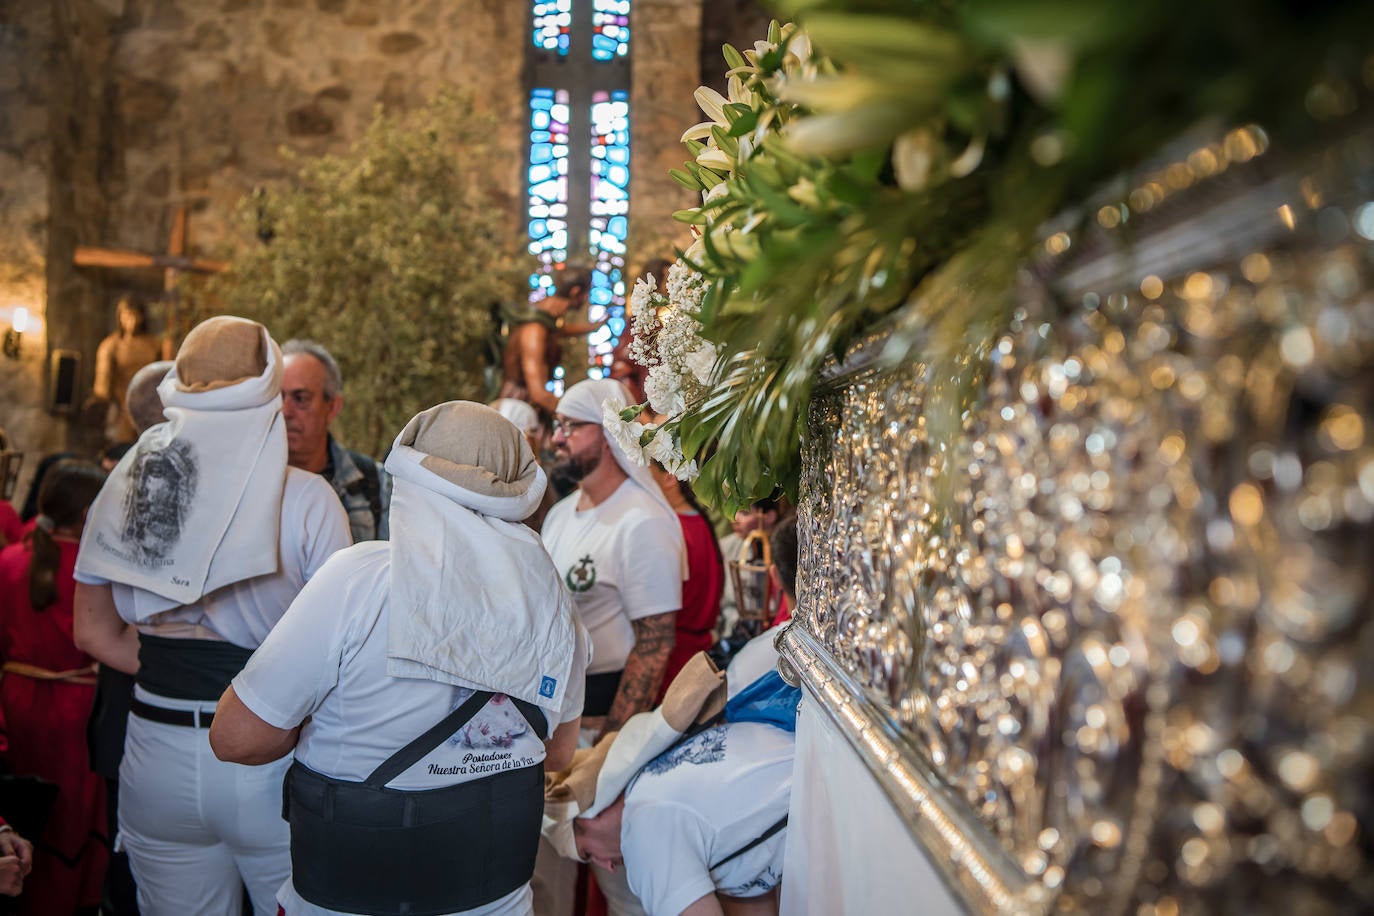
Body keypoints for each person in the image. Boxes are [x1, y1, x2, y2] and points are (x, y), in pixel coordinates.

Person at [210, 401, 589, 916]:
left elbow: (237, 737)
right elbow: (560, 750)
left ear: (408, 483)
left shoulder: (359, 580)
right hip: (495, 900)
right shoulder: (555, 603)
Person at [72, 315, 351, 916]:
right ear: (268, 387)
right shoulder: (305, 499)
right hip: (269, 753)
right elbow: (342, 649)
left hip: (155, 748)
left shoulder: (120, 489)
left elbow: (91, 629)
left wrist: (172, 669)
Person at [540, 378, 685, 738]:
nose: (557, 438)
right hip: (552, 709)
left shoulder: (642, 522)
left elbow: (654, 647)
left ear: (607, 433)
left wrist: (611, 749)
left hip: (601, 718)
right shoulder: (560, 514)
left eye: (570, 426)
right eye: (558, 425)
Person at [0, 461, 109, 914]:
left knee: (21, 801)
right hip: (75, 709)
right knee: (69, 820)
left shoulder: (8, 560)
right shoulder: (96, 573)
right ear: (88, 515)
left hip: (15, 700)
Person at [281, 339, 390, 543]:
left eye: (300, 398)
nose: (285, 411)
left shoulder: (375, 485)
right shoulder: (248, 484)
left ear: (332, 407)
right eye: (277, 397)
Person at [650, 463, 723, 701]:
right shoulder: (698, 522)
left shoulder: (672, 529)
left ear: (670, 478)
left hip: (672, 662)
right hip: (697, 654)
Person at [500, 267, 595, 415]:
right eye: (588, 292)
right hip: (517, 409)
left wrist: (592, 328)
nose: (588, 297)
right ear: (576, 292)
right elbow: (539, 395)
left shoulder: (548, 318)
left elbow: (562, 329)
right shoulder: (534, 331)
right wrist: (584, 415)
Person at [91, 297, 170, 443]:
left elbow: (164, 376)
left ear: (142, 317)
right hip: (121, 407)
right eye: (127, 315)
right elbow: (103, 384)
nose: (132, 321)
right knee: (121, 448)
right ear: (120, 316)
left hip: (149, 405)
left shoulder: (155, 344)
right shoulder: (111, 345)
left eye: (135, 315)